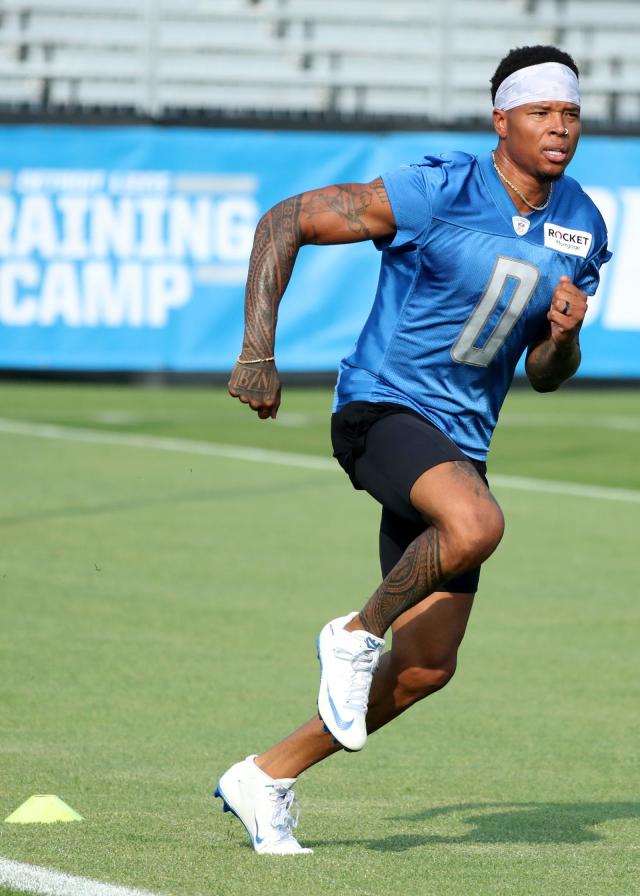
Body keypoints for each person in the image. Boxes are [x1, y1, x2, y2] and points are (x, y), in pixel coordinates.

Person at [214, 44, 611, 855]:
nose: (560, 127)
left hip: (461, 441)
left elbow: (545, 374)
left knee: (429, 666)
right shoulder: (442, 187)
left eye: (570, 112)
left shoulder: (584, 224)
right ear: (501, 120)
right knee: (477, 525)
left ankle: (268, 775)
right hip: (381, 409)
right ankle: (355, 634)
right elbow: (283, 220)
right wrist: (258, 349)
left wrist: (566, 338)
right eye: (541, 112)